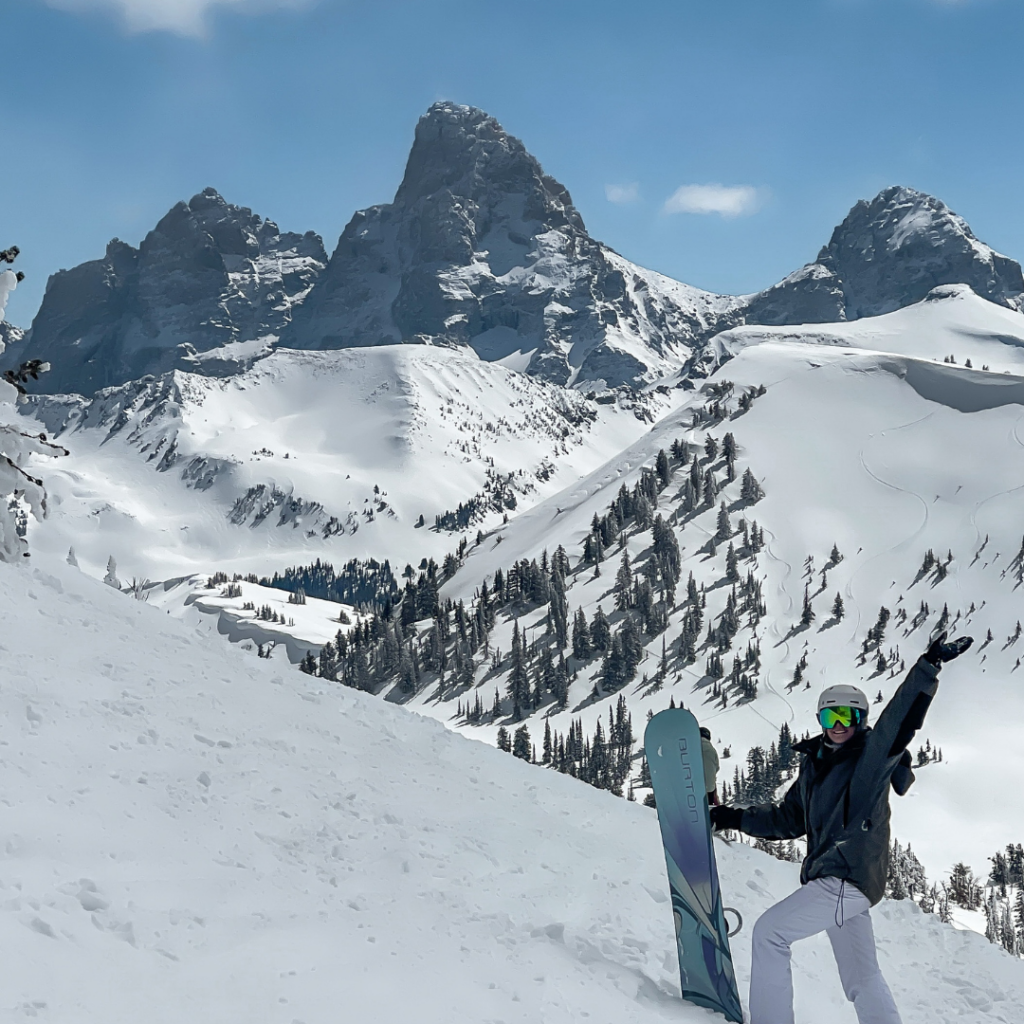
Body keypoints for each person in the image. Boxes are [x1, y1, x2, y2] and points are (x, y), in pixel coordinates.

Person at [709, 631, 972, 1024]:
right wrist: (732, 817)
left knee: (769, 933)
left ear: (860, 720)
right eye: (830, 716)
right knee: (862, 977)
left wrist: (927, 667)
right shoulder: (815, 765)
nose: (838, 725)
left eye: (847, 716)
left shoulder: (869, 759)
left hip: (845, 876)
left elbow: (898, 723)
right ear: (820, 720)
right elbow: (788, 818)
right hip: (845, 884)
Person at [699, 725, 720, 806]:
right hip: (710, 788)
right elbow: (717, 767)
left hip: (693, 787)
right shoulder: (713, 750)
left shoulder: (691, 747)